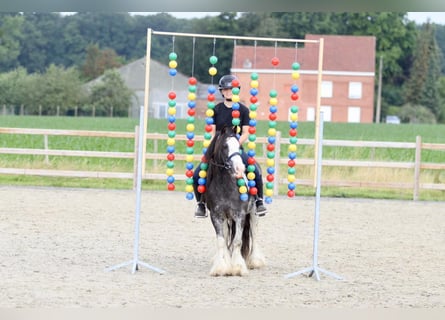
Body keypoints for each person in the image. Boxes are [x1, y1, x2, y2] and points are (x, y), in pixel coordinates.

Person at [193, 74, 268, 218]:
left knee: (255, 172)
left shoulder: (244, 110)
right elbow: (213, 131)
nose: (228, 92)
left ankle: (259, 201)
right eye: (226, 89)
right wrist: (219, 146)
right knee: (197, 174)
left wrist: (233, 145)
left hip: (235, 149)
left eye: (231, 89)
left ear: (236, 90)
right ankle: (201, 204)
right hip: (219, 148)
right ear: (221, 91)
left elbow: (246, 132)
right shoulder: (216, 110)